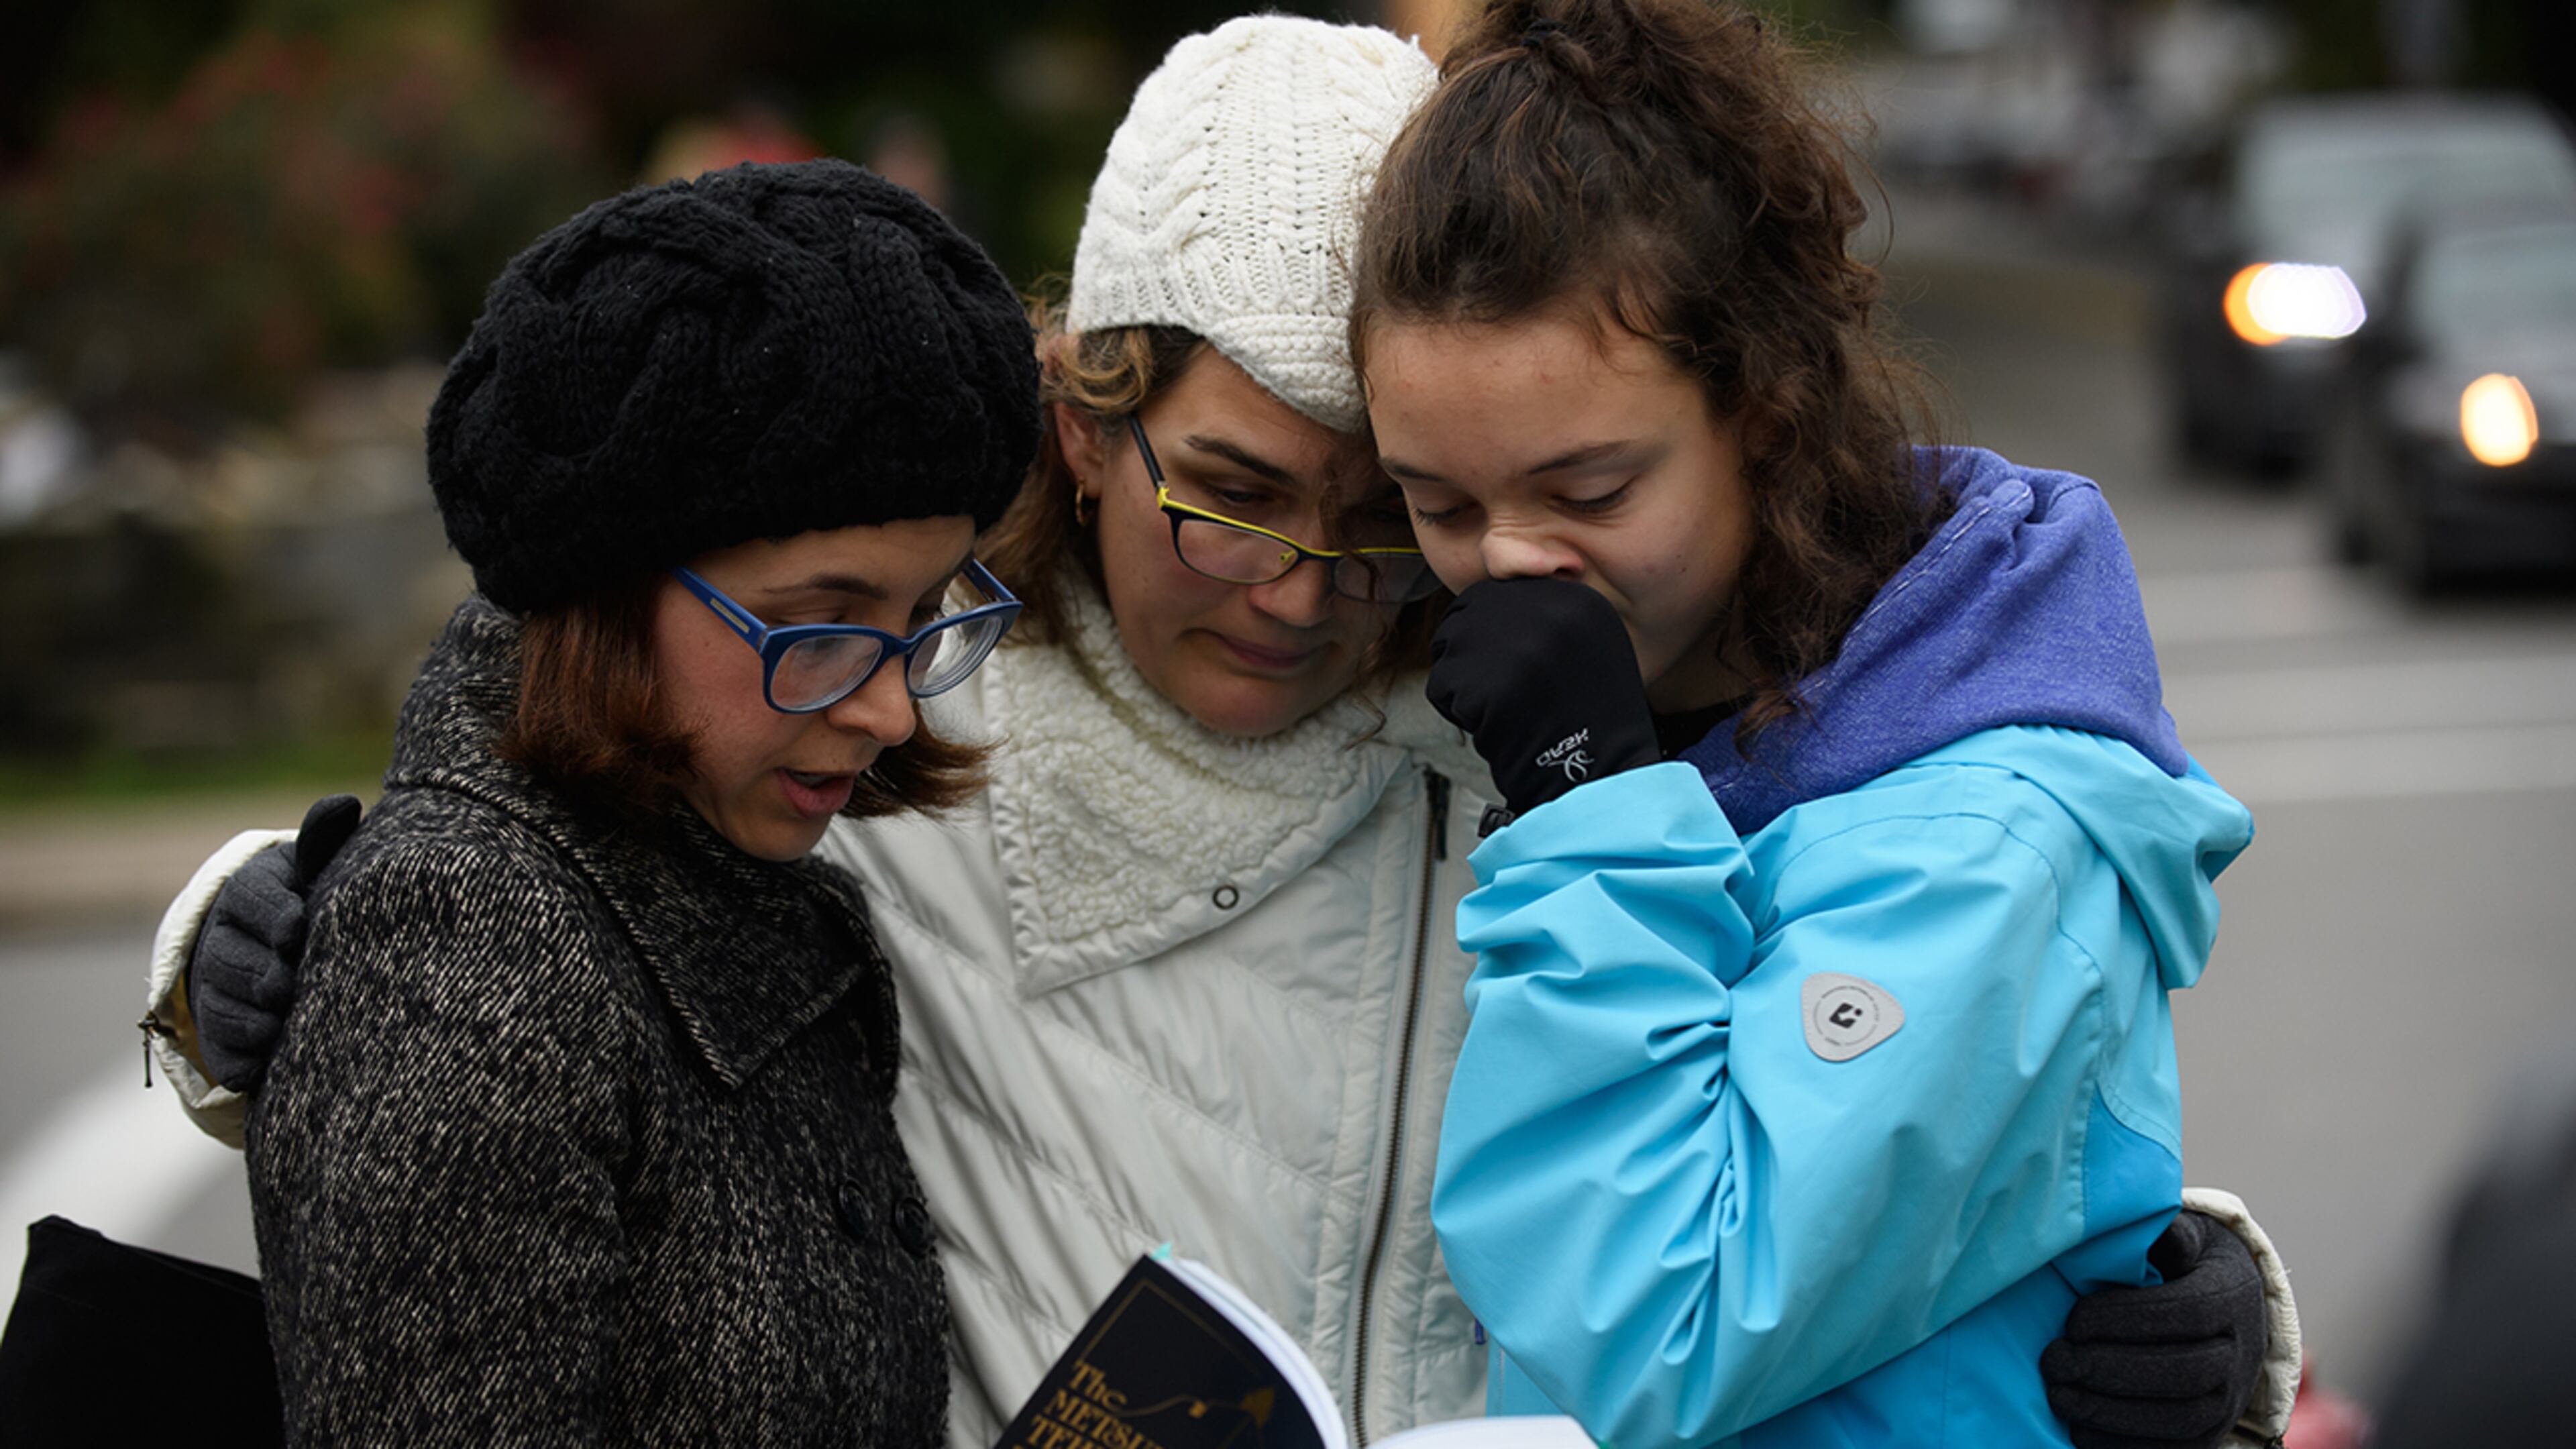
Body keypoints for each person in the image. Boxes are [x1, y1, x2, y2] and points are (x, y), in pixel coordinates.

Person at [145, 17, 2287, 1448]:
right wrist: (242, 947)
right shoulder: (888, 706)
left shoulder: (1552, 738)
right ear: (1086, 411)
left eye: (1391, 521)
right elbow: (537, 830)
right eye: (1229, 493)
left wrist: (2165, 1289)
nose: (1300, 586)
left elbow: (1855, 1091)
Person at [1346, 1, 2284, 1445]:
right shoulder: (1533, 693)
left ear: (1768, 414)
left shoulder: (1983, 832)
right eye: (1442, 503)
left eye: (1589, 492)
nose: (1515, 566)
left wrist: (1589, 802)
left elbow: (1657, 1326)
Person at [212, 158, 1040, 1442]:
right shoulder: (474, 955)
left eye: (925, 613)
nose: (888, 709)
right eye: (817, 624)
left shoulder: (722, 867)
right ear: (602, 595)